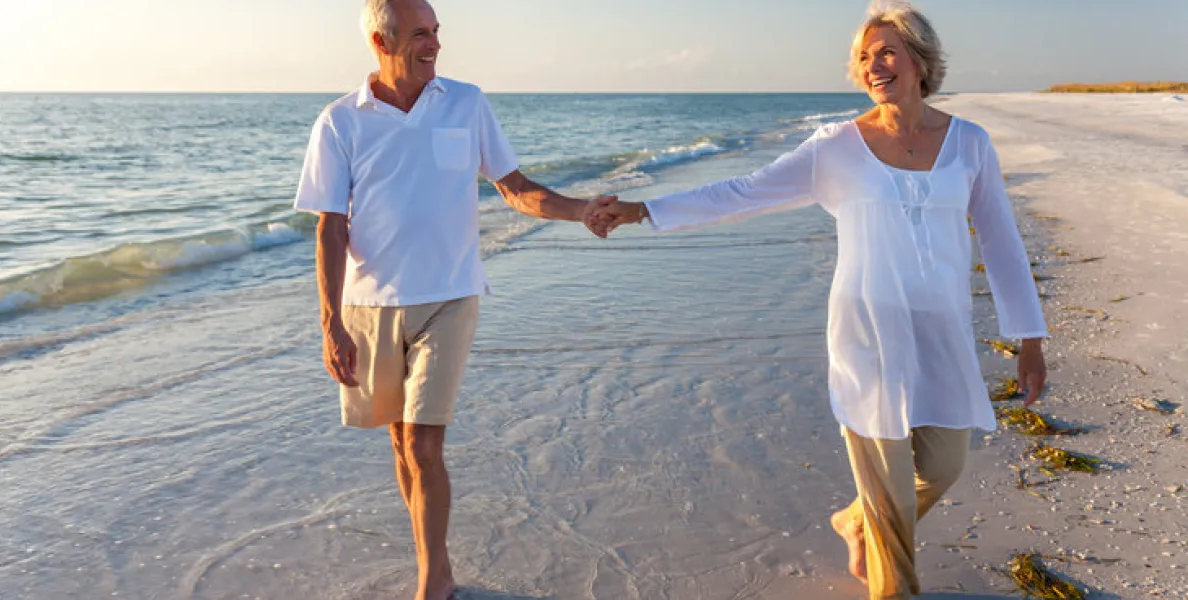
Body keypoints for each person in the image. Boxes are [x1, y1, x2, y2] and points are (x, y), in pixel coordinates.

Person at [586, 3, 1048, 598]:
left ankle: (856, 519)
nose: (873, 65)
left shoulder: (969, 143)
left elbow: (1003, 241)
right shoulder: (837, 146)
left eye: (885, 51)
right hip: (868, 334)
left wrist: (1030, 340)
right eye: (863, 57)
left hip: (943, 333)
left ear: (920, 59)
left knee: (942, 467)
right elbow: (744, 192)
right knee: (893, 503)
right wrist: (645, 209)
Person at [292, 1, 610, 598]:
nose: (435, 44)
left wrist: (578, 210)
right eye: (421, 34)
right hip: (370, 305)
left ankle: (433, 577)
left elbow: (513, 187)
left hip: (451, 296)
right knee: (398, 439)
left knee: (422, 441)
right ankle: (429, 555)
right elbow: (330, 226)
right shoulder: (339, 121)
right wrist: (331, 323)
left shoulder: (466, 102)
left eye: (437, 32)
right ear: (382, 43)